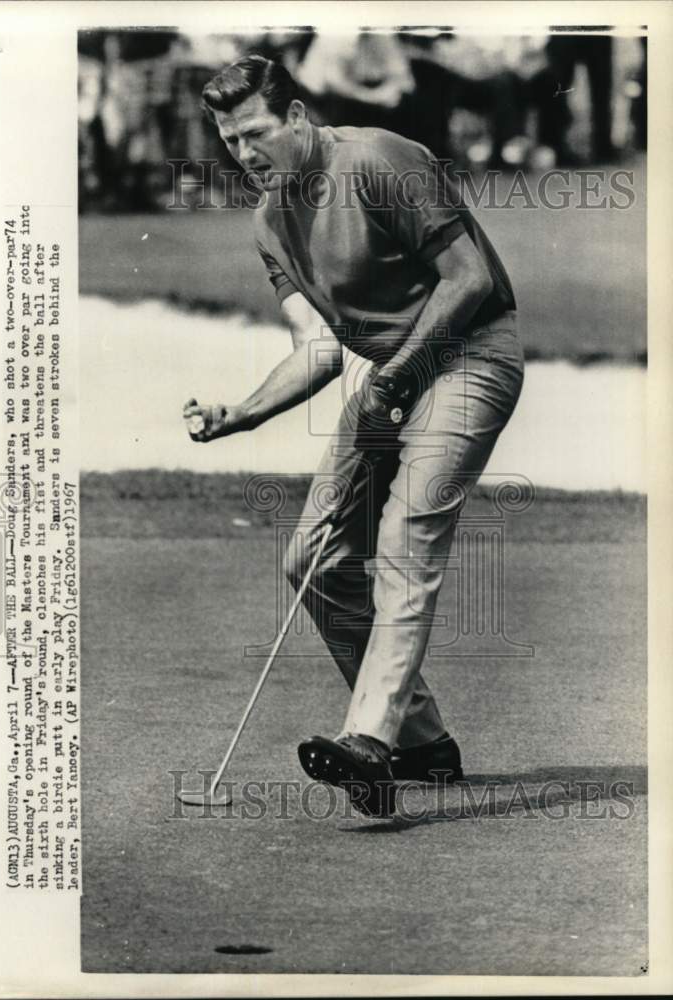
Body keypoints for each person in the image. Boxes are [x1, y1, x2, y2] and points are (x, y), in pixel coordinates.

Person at [183, 56, 524, 817]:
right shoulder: (270, 222)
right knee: (315, 558)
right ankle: (423, 742)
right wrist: (242, 412)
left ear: (298, 118)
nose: (246, 155)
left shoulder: (378, 159)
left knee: (407, 534)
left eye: (258, 134)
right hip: (391, 374)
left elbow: (467, 281)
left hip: (471, 356)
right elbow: (318, 346)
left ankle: (367, 743)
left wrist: (400, 373)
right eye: (232, 142)